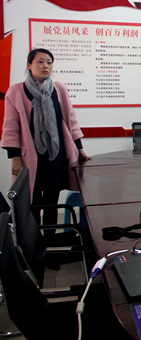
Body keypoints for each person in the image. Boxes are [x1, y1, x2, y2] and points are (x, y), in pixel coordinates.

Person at [1, 48, 91, 230]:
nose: (46, 66)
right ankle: (33, 241)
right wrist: (15, 157)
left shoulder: (58, 88)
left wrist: (79, 149)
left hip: (54, 155)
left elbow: (70, 120)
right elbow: (11, 127)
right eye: (40, 61)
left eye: (49, 62)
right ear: (29, 65)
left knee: (52, 200)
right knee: (31, 201)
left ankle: (50, 238)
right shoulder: (16, 91)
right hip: (29, 158)